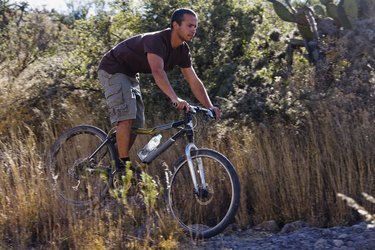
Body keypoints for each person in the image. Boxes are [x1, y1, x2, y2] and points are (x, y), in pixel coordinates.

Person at [97, 8, 221, 168]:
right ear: (175, 25)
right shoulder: (156, 41)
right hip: (113, 68)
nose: (193, 30)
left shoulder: (183, 50)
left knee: (136, 125)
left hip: (131, 74)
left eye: (195, 26)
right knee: (126, 117)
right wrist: (175, 98)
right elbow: (157, 71)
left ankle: (114, 165)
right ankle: (122, 166)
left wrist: (209, 106)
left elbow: (193, 80)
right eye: (189, 25)